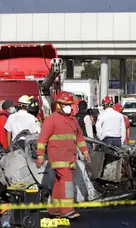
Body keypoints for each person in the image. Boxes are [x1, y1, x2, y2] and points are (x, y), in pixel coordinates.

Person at [35, 91, 90, 219]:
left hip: (69, 156)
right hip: (58, 156)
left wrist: (85, 151)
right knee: (66, 181)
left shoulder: (73, 120)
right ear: (58, 105)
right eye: (65, 104)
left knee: (60, 182)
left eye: (70, 104)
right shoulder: (51, 120)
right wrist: (40, 156)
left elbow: (79, 137)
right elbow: (42, 139)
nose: (68, 107)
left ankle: (54, 209)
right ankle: (67, 210)